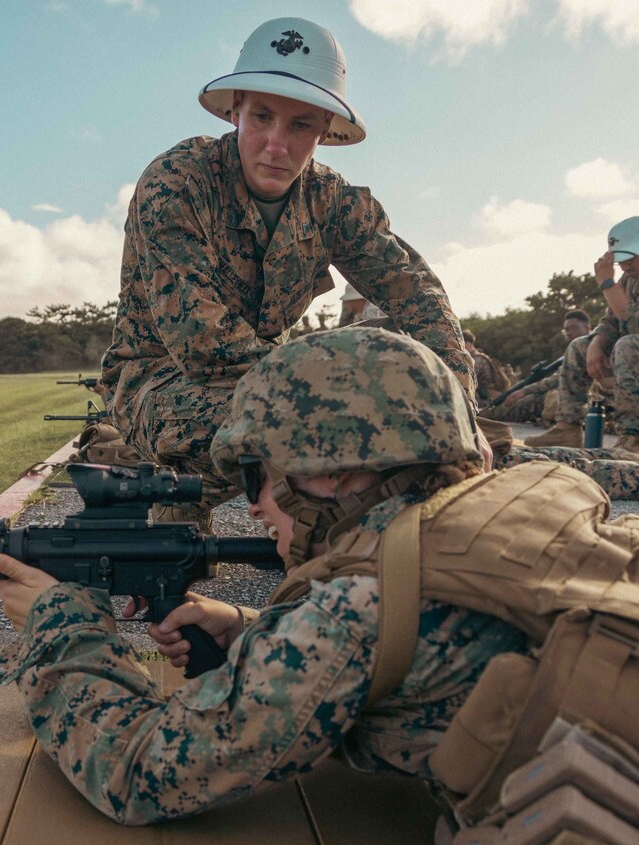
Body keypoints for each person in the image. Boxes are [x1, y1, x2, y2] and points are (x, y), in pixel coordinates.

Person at [0, 329, 639, 845]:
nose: (253, 508)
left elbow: (136, 769)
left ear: (328, 473)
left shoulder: (352, 615)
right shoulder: (498, 508)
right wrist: (253, 630)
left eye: (257, 476)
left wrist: (58, 625)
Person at [100, 17, 489, 530]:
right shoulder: (178, 182)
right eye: (262, 117)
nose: (276, 145)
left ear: (325, 131)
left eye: (300, 125)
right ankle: (207, 511)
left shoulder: (334, 201)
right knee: (318, 427)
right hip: (160, 380)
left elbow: (418, 297)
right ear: (235, 110)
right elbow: (203, 344)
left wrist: (457, 409)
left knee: (388, 375)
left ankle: (343, 546)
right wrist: (350, 387)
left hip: (278, 378)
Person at [526, 216, 639, 458]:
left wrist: (608, 283)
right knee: (579, 346)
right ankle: (568, 427)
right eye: (621, 260)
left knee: (627, 344)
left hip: (634, 348)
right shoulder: (630, 279)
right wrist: (597, 343)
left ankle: (635, 439)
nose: (624, 267)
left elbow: (635, 325)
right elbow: (612, 320)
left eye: (630, 258)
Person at [482, 309, 591, 425]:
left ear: (587, 328)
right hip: (578, 395)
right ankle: (488, 414)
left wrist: (524, 391)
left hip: (585, 397)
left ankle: (490, 415)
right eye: (566, 330)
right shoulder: (576, 350)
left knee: (530, 401)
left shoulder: (589, 348)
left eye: (573, 328)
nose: (568, 333)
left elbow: (557, 379)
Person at [462, 330, 511, 404]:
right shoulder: (476, 357)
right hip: (484, 394)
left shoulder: (477, 359)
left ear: (468, 343)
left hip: (487, 395)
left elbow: (468, 379)